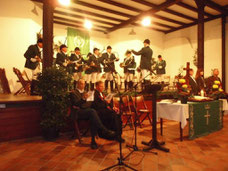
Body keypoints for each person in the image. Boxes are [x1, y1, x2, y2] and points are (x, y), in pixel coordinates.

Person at [69, 79, 115, 149]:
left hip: (86, 111)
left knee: (93, 115)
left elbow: (88, 104)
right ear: (77, 84)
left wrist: (84, 103)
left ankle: (93, 141)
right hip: (77, 113)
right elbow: (76, 104)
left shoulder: (85, 92)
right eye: (81, 84)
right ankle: (104, 130)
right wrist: (83, 100)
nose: (83, 85)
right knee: (92, 112)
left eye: (84, 84)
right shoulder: (73, 93)